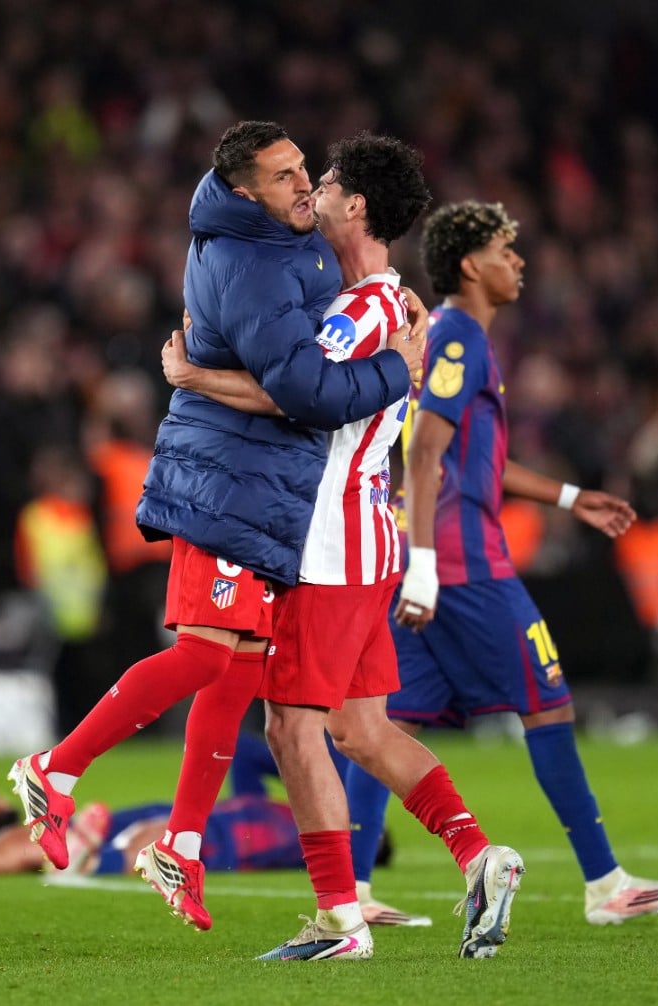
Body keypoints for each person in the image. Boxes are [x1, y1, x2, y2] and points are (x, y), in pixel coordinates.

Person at [6, 121, 425, 933]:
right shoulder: (256, 262)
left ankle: (184, 843)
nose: (304, 185)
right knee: (204, 654)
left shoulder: (278, 246)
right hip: (224, 483)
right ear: (245, 191)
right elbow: (301, 391)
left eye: (307, 169)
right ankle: (54, 770)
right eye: (285, 176)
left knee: (240, 668)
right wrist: (395, 368)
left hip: (260, 489)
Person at [160, 134, 522, 962]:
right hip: (370, 539)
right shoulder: (394, 307)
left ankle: (339, 921)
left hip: (326, 542)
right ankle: (480, 854)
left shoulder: (362, 312)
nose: (309, 193)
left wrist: (191, 376)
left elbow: (299, 395)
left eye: (322, 182)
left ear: (354, 205)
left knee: (291, 725)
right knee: (361, 727)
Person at [363, 200, 658, 926]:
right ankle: (606, 884)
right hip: (464, 567)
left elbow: (471, 459)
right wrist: (426, 565)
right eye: (503, 251)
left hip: (428, 561)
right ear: (468, 266)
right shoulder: (459, 338)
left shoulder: (461, 340)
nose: (518, 262)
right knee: (547, 702)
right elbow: (424, 452)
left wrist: (571, 495)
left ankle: (354, 892)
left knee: (389, 724)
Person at [0, 735, 390, 880]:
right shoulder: (273, 802)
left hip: (205, 833)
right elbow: (249, 749)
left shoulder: (305, 837)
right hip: (189, 814)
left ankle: (93, 854)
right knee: (40, 838)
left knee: (142, 842)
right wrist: (300, 744)